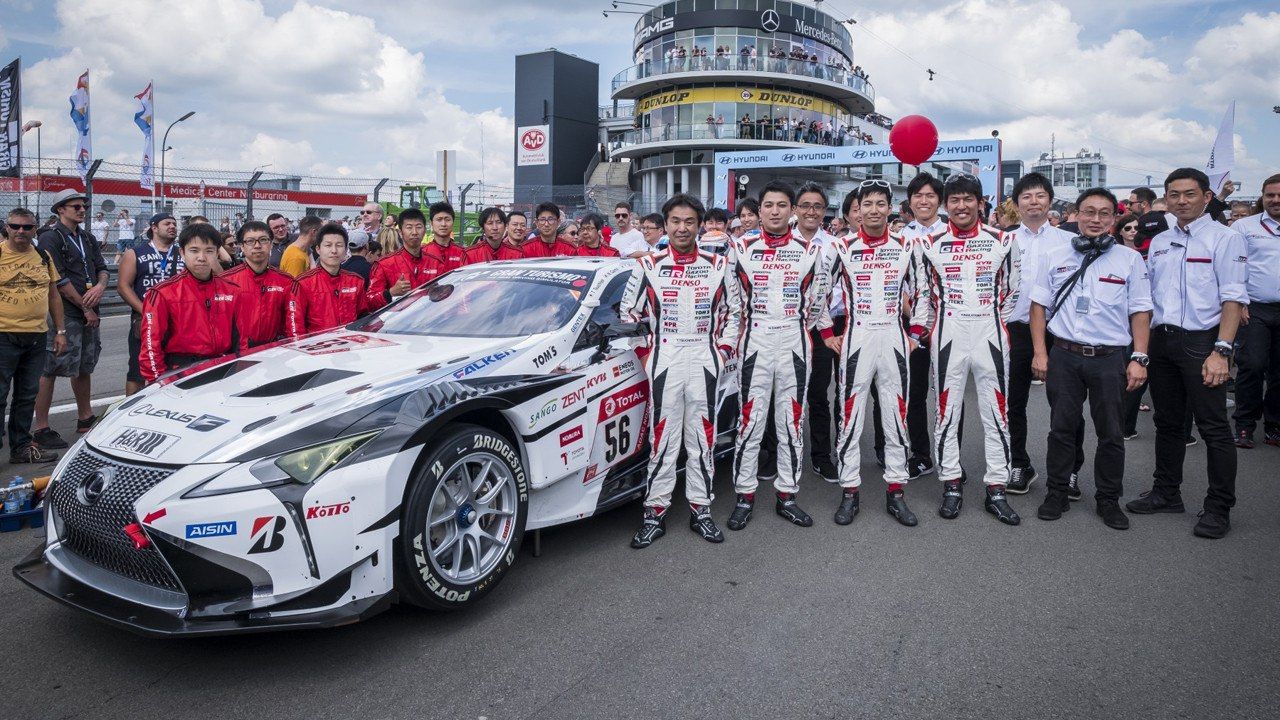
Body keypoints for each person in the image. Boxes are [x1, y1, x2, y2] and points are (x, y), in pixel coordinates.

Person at [1126, 168, 1247, 540]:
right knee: (1168, 422)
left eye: (1190, 194)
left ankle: (1218, 506)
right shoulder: (1160, 241)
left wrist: (1221, 351)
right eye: (1174, 194)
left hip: (1203, 344)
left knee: (1213, 428)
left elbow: (1233, 297)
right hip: (1163, 342)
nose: (1181, 200)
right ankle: (1166, 492)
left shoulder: (1226, 239)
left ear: (1207, 197)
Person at [622, 194, 741, 548]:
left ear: (699, 225)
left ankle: (701, 510)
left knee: (702, 437)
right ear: (666, 224)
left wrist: (721, 352)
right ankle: (654, 513)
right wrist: (646, 354)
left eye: (689, 221)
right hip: (665, 356)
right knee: (663, 438)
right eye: (675, 220)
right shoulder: (648, 265)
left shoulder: (718, 265)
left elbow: (734, 314)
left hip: (704, 356)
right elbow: (628, 315)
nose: (682, 227)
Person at [1029, 188, 1152, 529]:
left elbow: (1141, 311)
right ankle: (1057, 491)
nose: (1095, 219)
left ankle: (1108, 499)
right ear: (1077, 215)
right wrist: (1041, 352)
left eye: (1104, 213)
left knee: (1111, 432)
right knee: (1061, 429)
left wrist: (1139, 358)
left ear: (1115, 219)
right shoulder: (1055, 254)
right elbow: (1038, 306)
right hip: (1065, 356)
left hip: (1109, 358)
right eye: (1089, 212)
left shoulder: (1130, 260)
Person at [914, 173, 1022, 524]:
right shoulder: (929, 242)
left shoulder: (1003, 240)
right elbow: (925, 294)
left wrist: (990, 319)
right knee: (946, 412)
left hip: (990, 330)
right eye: (954, 200)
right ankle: (951, 484)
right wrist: (931, 330)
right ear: (946, 205)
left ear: (980, 202)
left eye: (968, 199)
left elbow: (1012, 292)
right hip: (948, 332)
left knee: (996, 412)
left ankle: (997, 489)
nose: (961, 206)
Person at [727, 181, 830, 530]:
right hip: (755, 341)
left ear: (793, 211)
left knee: (791, 422)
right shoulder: (740, 247)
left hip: (793, 341)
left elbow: (818, 301)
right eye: (768, 205)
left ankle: (787, 495)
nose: (774, 211)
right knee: (751, 421)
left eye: (782, 205)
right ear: (759, 212)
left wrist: (795, 326)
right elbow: (731, 301)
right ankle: (744, 496)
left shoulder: (811, 250)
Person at [819, 180, 922, 526]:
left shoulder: (907, 244)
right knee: (850, 416)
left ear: (890, 207)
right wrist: (826, 332)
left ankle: (896, 491)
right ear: (857, 210)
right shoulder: (841, 246)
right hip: (856, 335)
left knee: (896, 414)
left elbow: (924, 291)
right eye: (868, 204)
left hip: (893, 336)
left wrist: (916, 333)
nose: (874, 210)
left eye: (881, 203)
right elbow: (819, 291)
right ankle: (850, 491)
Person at [1003, 173, 1085, 496]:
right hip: (1015, 331)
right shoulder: (1003, 239)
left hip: (1059, 332)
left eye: (1039, 196)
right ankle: (1019, 464)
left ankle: (1069, 470)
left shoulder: (1069, 241)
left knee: (1066, 405)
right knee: (1013, 403)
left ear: (1049, 201)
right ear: (1016, 203)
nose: (1033, 202)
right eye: (1026, 196)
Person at [30, 188, 108, 449]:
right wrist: (85, 307)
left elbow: (102, 268)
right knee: (50, 367)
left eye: (83, 206)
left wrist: (99, 287)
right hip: (64, 312)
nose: (82, 209)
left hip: (89, 309)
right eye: (75, 206)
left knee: (85, 364)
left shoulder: (87, 237)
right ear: (60, 210)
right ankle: (41, 426)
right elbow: (59, 280)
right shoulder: (51, 238)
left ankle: (85, 417)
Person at [1, 208, 66, 463]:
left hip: (37, 336)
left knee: (27, 395)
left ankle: (21, 448)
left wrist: (60, 331)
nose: (20, 231)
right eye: (15, 226)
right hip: (3, 335)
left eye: (27, 227)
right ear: (7, 227)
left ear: (35, 229)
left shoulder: (42, 255)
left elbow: (54, 295)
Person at [138, 224, 244, 383]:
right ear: (182, 252)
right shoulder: (162, 293)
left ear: (217, 253)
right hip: (180, 373)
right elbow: (150, 346)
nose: (201, 257)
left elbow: (241, 339)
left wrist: (240, 370)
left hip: (224, 369)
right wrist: (158, 382)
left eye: (209, 251)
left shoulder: (232, 290)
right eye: (194, 250)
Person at [896, 173, 947, 479]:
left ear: (939, 201)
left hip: (949, 323)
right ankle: (921, 454)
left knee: (948, 395)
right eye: (918, 196)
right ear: (910, 202)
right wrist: (910, 311)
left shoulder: (951, 234)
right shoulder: (901, 237)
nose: (924, 201)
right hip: (909, 324)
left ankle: (950, 457)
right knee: (914, 394)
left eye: (930, 196)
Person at [793, 183, 844, 483]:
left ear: (824, 212)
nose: (811, 211)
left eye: (817, 206)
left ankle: (822, 456)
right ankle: (779, 454)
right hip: (785, 328)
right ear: (796, 209)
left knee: (818, 394)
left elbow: (839, 288)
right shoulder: (782, 242)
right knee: (784, 394)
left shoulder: (834, 245)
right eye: (805, 205)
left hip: (824, 328)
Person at [1230, 173, 1280, 448]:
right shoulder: (1244, 227)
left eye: (1279, 195)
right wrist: (1239, 302)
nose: (1275, 200)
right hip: (1255, 307)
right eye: (1270, 195)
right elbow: (1234, 267)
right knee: (1252, 365)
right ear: (1262, 196)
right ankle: (1245, 425)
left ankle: (1274, 425)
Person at [117, 213, 183, 395]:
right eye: (167, 223)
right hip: (146, 320)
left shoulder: (183, 252)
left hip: (178, 320)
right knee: (137, 372)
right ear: (154, 227)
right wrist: (146, 311)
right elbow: (123, 286)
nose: (172, 227)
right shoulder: (135, 253)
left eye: (174, 224)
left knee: (174, 370)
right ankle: (129, 411)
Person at [288, 223, 382, 336]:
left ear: (346, 249)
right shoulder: (303, 283)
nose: (334, 250)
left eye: (339, 245)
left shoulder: (356, 281)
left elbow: (363, 315)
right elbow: (295, 326)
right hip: (316, 348)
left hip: (349, 346)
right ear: (318, 249)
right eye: (328, 245)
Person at [221, 221, 294, 350]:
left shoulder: (286, 281)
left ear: (271, 244)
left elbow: (291, 322)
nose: (257, 245)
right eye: (250, 241)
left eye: (263, 240)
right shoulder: (226, 281)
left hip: (275, 352)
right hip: (237, 355)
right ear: (242, 247)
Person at [367, 208, 433, 305]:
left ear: (424, 231)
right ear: (400, 232)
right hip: (398, 319)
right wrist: (390, 293)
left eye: (418, 227)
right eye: (409, 227)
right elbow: (369, 301)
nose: (414, 232)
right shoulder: (384, 264)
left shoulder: (435, 262)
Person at [426, 201, 466, 272]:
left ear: (453, 222)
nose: (443, 224)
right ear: (431, 223)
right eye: (439, 220)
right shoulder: (422, 253)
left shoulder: (463, 253)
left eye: (447, 220)